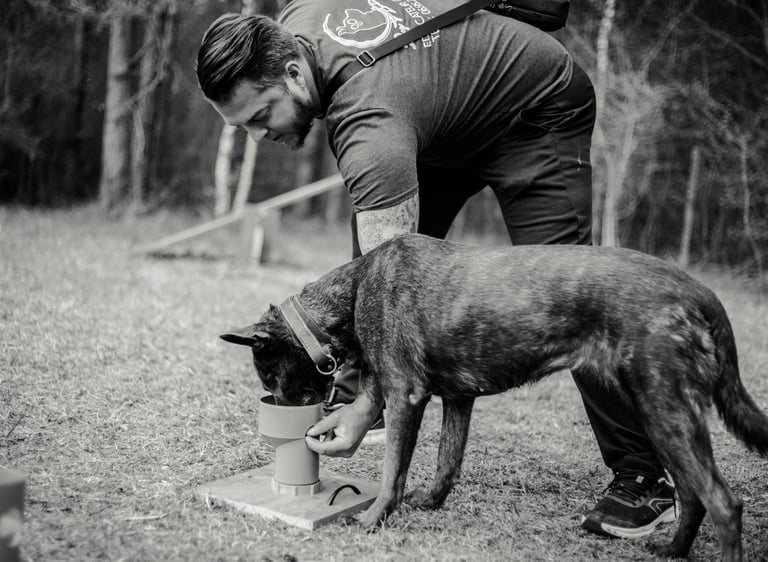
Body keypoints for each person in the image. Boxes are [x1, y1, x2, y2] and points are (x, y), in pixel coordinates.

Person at [196, 0, 675, 538]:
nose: (260, 136)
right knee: (368, 261)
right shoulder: (293, 21)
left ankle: (645, 478)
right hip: (443, 122)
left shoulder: (369, 127)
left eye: (262, 116)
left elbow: (395, 295)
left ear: (292, 72)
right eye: (243, 127)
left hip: (534, 110)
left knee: (574, 299)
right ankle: (368, 397)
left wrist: (376, 394)